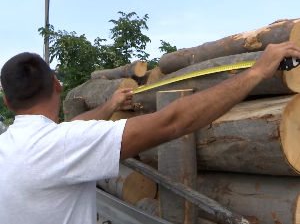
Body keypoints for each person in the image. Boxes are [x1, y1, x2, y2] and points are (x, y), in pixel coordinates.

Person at [0, 42, 300, 224]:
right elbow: (172, 121)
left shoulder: (12, 146)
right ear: (57, 85)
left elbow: (68, 131)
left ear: (7, 102)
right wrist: (257, 72)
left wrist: (111, 104)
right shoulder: (61, 146)